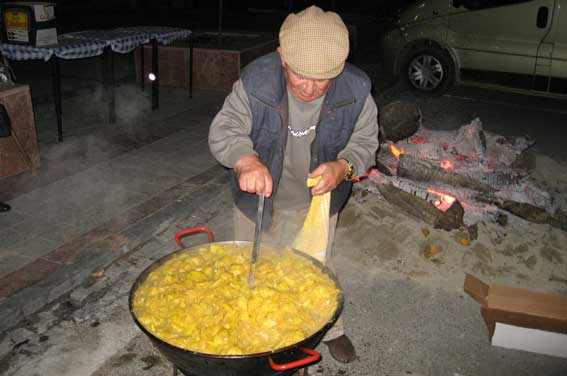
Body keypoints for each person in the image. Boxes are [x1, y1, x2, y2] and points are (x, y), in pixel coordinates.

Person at [208, 6, 379, 363]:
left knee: (318, 267)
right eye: (301, 75)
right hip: (258, 201)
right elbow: (225, 129)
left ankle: (330, 328)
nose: (311, 88)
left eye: (323, 79)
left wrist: (344, 167)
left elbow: (365, 143)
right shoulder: (255, 82)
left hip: (317, 201)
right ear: (283, 56)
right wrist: (245, 159)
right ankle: (254, 335)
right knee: (253, 268)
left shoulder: (357, 89)